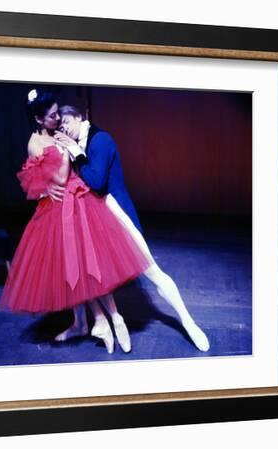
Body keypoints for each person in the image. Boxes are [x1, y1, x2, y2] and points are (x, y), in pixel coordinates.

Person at [0, 89, 152, 353]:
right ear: (38, 119)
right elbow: (52, 178)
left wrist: (70, 147)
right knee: (74, 268)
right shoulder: (35, 142)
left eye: (58, 112)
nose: (57, 118)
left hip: (80, 200)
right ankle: (91, 322)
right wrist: (63, 153)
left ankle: (110, 319)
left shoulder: (60, 133)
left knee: (91, 263)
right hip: (57, 208)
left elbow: (78, 164)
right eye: (51, 116)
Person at [52, 105, 210, 352]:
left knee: (153, 271)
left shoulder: (100, 139)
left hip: (119, 215)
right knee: (87, 271)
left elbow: (96, 181)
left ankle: (188, 322)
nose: (63, 128)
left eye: (67, 122)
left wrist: (74, 152)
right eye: (60, 126)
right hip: (99, 220)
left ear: (80, 117)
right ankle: (93, 323)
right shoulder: (75, 145)